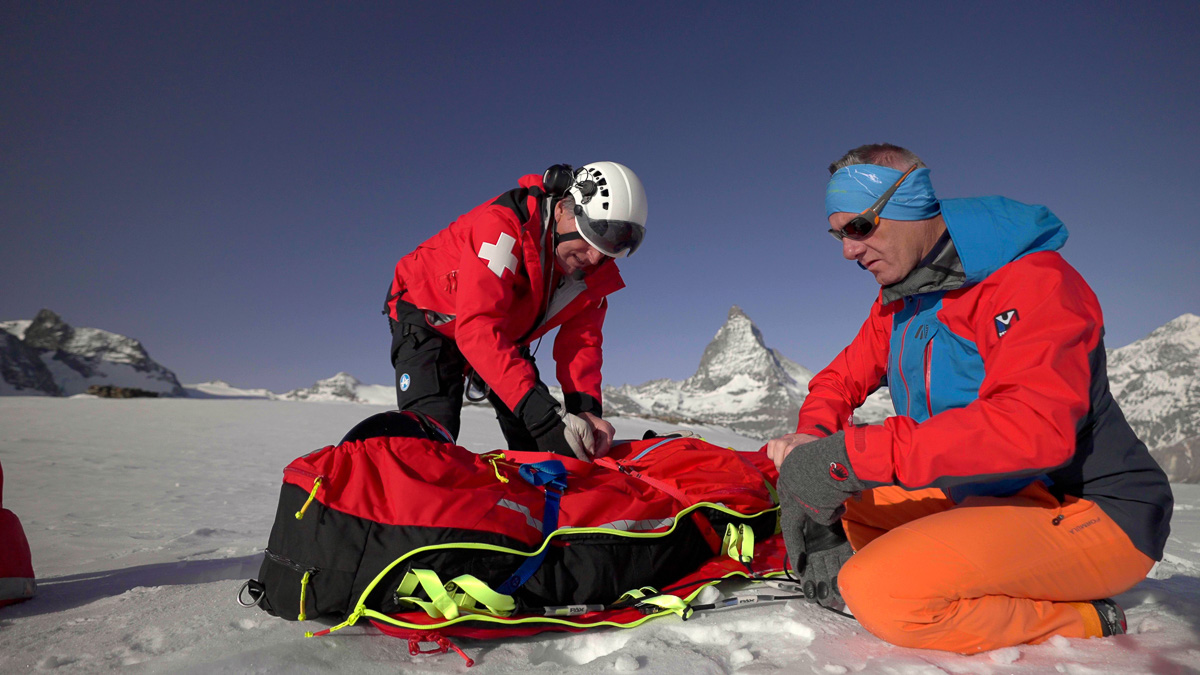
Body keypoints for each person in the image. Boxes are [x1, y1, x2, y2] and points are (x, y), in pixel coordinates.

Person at [766, 143, 1173, 654]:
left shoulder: (1032, 281)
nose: (848, 250)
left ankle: (1083, 618)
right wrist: (814, 437)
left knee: (882, 590)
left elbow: (1031, 427)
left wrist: (851, 457)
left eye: (859, 227)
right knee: (853, 512)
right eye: (838, 233)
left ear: (909, 205)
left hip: (1094, 509)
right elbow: (839, 379)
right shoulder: (902, 302)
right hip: (995, 497)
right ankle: (967, 576)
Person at [383, 162, 647, 461]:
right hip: (429, 314)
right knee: (432, 436)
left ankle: (536, 503)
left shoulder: (595, 271)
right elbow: (477, 327)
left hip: (501, 331)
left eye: (612, 245)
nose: (596, 255)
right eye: (592, 234)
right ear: (563, 209)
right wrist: (545, 418)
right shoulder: (504, 225)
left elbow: (581, 344)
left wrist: (585, 412)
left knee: (546, 441)